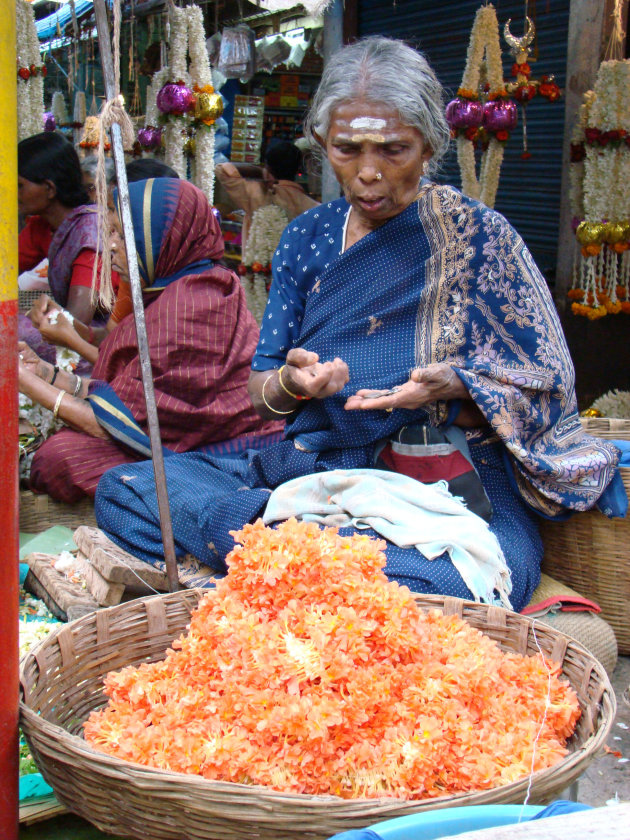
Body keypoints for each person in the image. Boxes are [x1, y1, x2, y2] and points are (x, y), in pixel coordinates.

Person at [95, 37, 623, 612]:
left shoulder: (480, 239)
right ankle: (299, 564)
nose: (369, 173)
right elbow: (261, 393)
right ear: (322, 143)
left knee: (463, 579)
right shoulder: (306, 237)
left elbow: (547, 385)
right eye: (348, 149)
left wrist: (455, 387)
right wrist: (292, 386)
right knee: (127, 489)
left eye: (394, 149)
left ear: (430, 146)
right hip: (316, 469)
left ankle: (271, 564)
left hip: (442, 481)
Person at [20, 177, 283, 503]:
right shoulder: (196, 283)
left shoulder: (188, 307)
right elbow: (136, 389)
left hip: (220, 449)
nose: (111, 245)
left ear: (162, 237)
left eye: (121, 234)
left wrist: (20, 379)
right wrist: (44, 374)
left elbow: (115, 423)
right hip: (195, 435)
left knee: (60, 459)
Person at [29, 157, 184, 362]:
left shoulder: (186, 290)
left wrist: (71, 340)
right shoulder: (134, 274)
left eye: (120, 235)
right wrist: (63, 319)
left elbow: (141, 374)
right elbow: (110, 335)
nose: (111, 245)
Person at [18, 132, 118, 328]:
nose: (13, 193)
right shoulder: (42, 225)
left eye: (20, 186)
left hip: (106, 336)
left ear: (49, 188)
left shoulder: (90, 234)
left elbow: (77, 321)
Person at [215, 139, 318, 254]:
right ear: (299, 169)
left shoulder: (257, 193)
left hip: (257, 268)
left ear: (268, 167)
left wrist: (261, 171)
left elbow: (222, 169)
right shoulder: (313, 207)